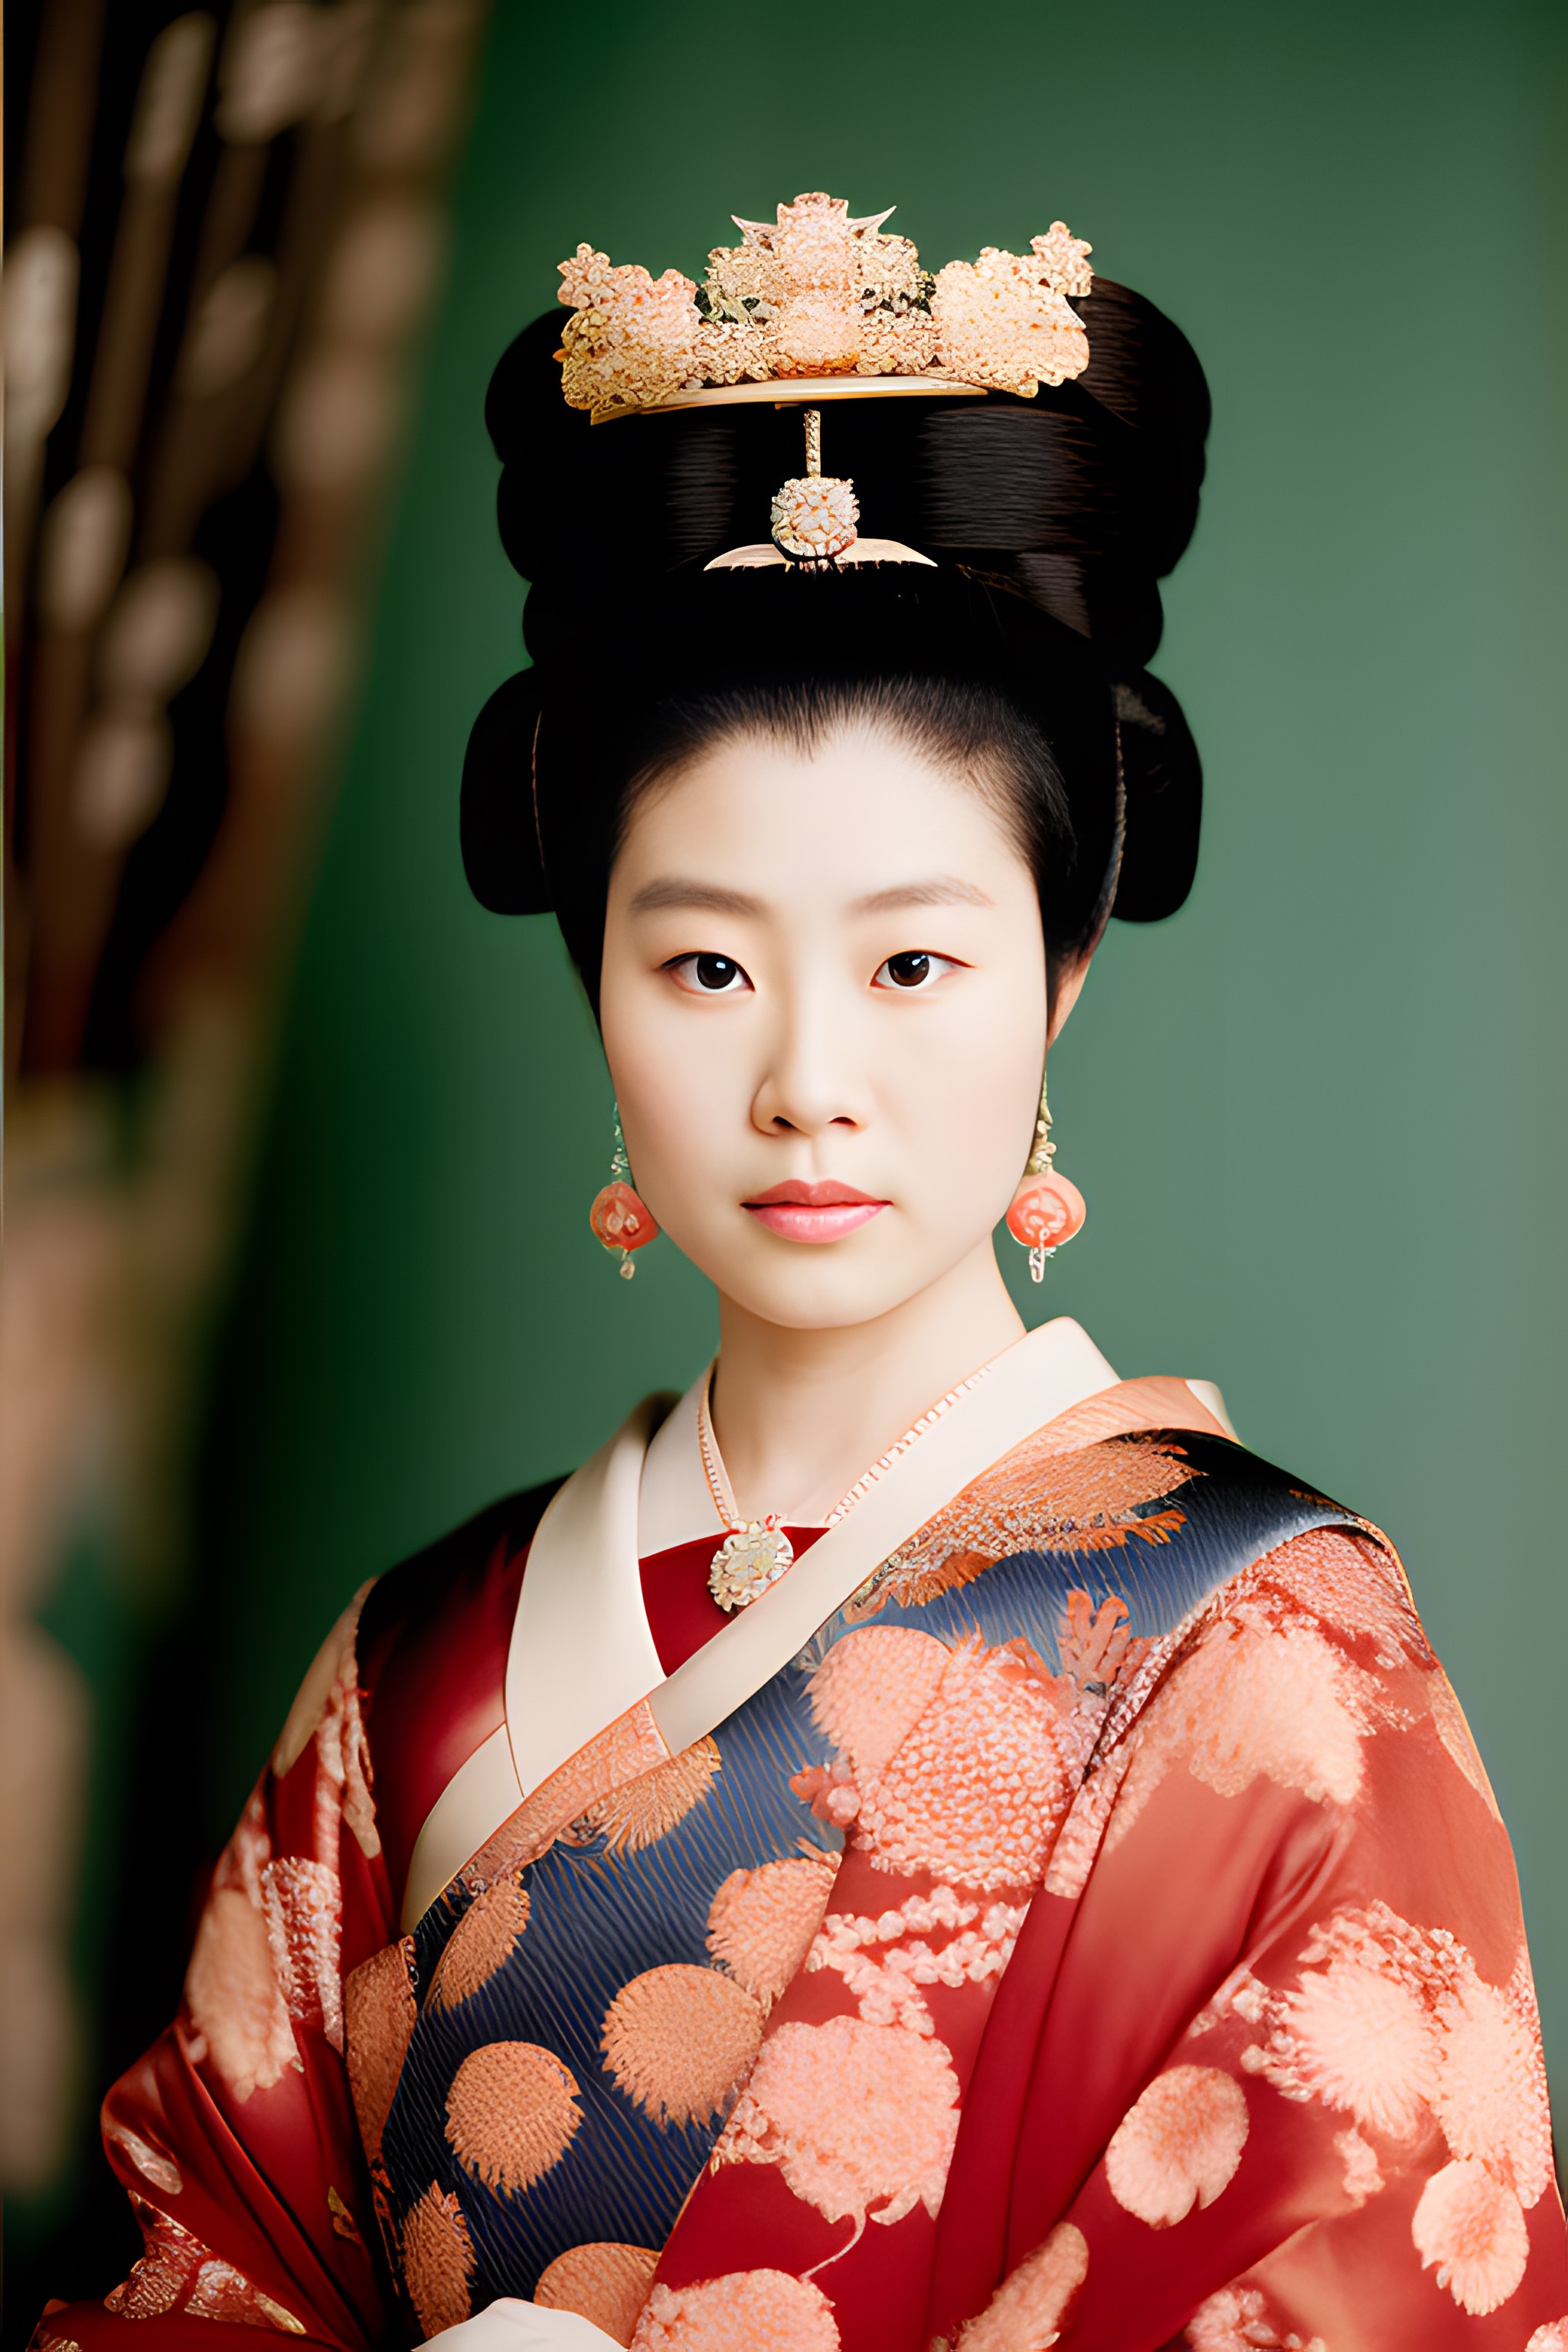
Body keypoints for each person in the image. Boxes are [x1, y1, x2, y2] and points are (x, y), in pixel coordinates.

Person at [36, 192, 1567, 2352]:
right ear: (596, 992)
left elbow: (1371, 2283)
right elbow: (187, 2279)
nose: (808, 1078)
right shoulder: (414, 1683)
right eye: (707, 963)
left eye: (916, 960)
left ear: (1064, 979)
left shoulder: (1273, 1669)